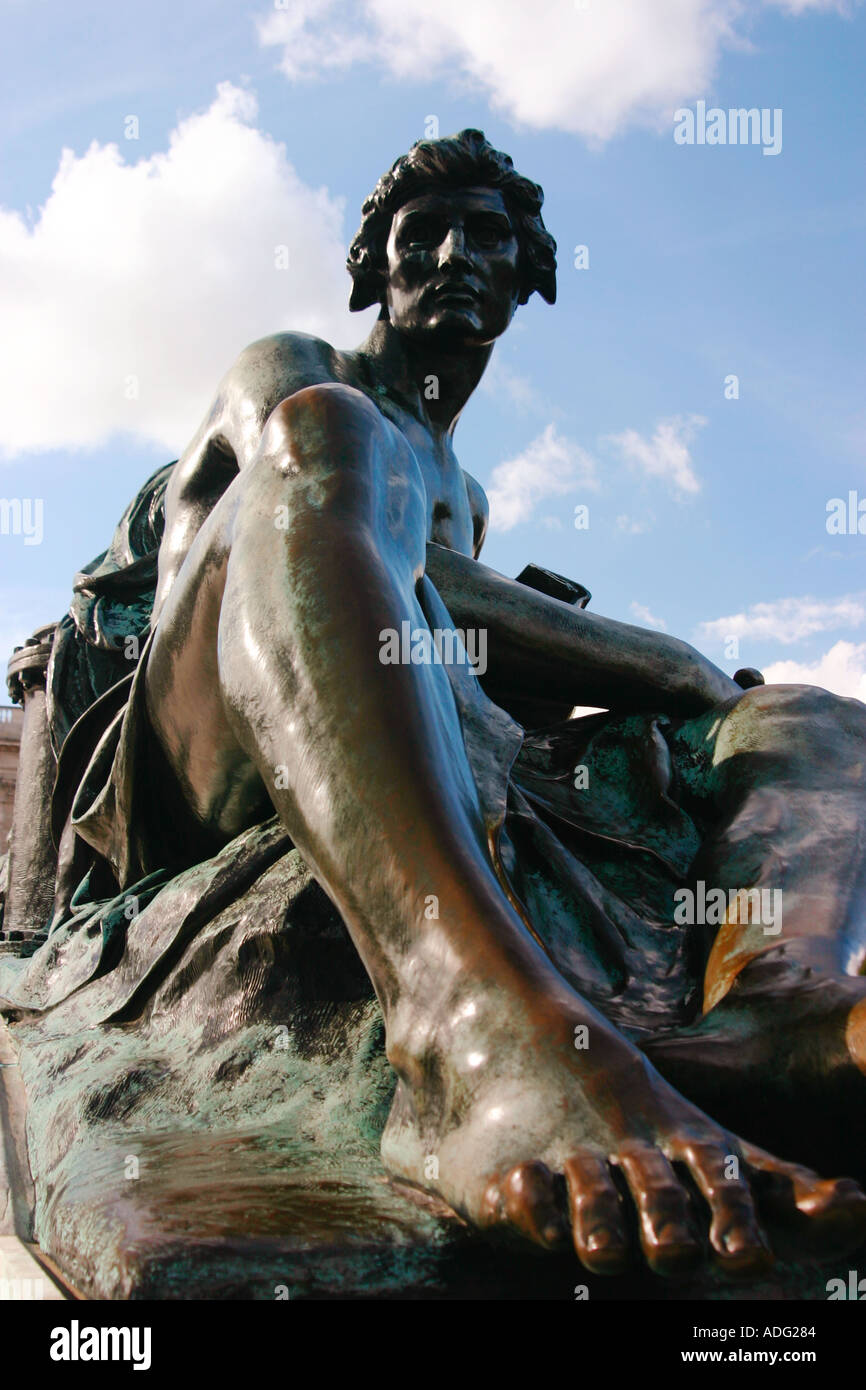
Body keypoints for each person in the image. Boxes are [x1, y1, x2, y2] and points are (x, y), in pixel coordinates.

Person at [57, 130, 866, 1275]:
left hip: (393, 714)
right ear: (368, 270)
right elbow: (336, 569)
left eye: (485, 235)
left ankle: (776, 995)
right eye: (417, 236)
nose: (451, 255)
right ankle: (465, 1031)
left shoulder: (465, 494)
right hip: (189, 755)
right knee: (330, 432)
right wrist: (669, 664)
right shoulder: (292, 371)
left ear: (528, 275)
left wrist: (698, 706)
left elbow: (455, 629)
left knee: (804, 714)